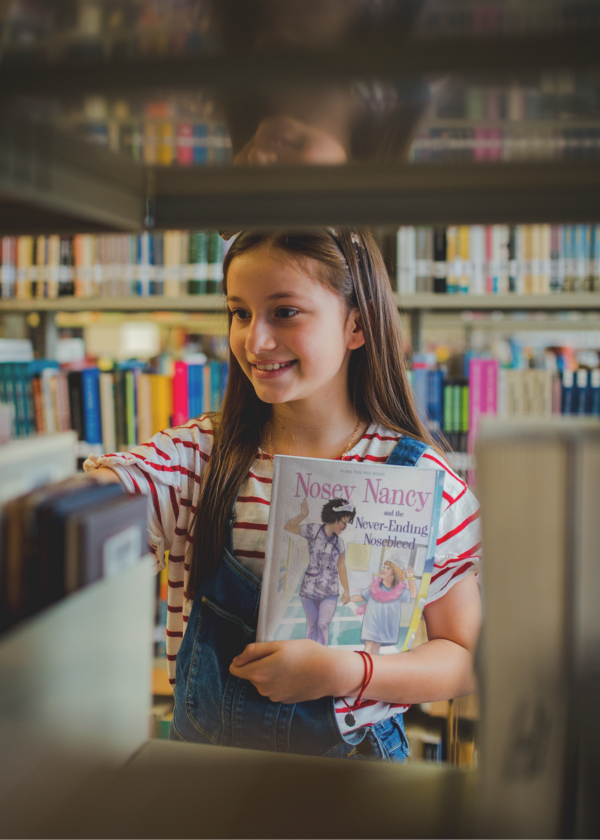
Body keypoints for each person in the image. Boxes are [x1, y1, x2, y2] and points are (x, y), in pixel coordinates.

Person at [87, 228, 482, 761]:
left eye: (285, 312)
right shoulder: (199, 455)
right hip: (208, 780)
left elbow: (461, 657)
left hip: (351, 785)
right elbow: (104, 493)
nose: (255, 341)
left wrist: (344, 672)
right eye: (240, 313)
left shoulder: (423, 481)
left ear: (356, 325)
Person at [285, 497, 355, 646]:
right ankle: (310, 658)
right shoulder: (314, 530)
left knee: (323, 624)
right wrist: (303, 515)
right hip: (309, 590)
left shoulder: (340, 544)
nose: (344, 527)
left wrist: (346, 591)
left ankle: (321, 657)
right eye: (344, 522)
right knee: (311, 626)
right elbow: (288, 527)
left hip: (330, 591)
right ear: (335, 518)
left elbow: (341, 567)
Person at [350, 560, 411, 656]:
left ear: (393, 575)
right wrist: (349, 599)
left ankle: (374, 666)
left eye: (388, 568)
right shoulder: (374, 587)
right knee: (369, 644)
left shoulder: (399, 591)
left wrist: (411, 579)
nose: (383, 569)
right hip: (371, 623)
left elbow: (413, 595)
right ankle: (365, 664)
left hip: (384, 625)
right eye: (383, 567)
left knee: (376, 646)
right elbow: (361, 597)